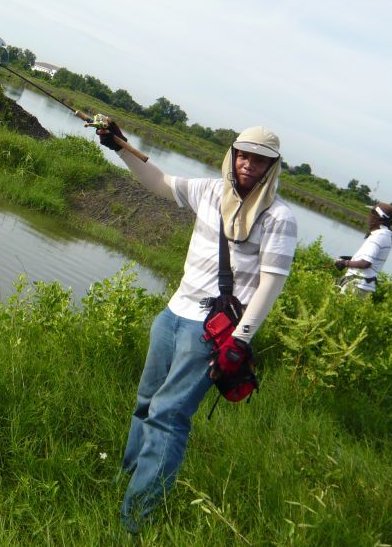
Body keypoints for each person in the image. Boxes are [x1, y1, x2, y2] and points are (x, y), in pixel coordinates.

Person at [96, 122, 298, 534]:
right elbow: (161, 182)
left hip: (211, 331)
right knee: (146, 401)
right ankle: (126, 482)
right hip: (173, 313)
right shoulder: (209, 191)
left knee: (169, 416)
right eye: (243, 154)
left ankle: (134, 523)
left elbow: (269, 286)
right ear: (233, 154)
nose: (247, 164)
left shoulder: (279, 218)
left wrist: (240, 342)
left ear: (271, 166)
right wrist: (118, 146)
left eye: (258, 159)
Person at [334, 203, 392, 295]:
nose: (369, 216)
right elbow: (371, 259)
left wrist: (344, 263)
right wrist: (352, 258)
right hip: (363, 285)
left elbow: (365, 263)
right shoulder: (385, 235)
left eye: (372, 213)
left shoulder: (378, 237)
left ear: (377, 217)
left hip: (356, 285)